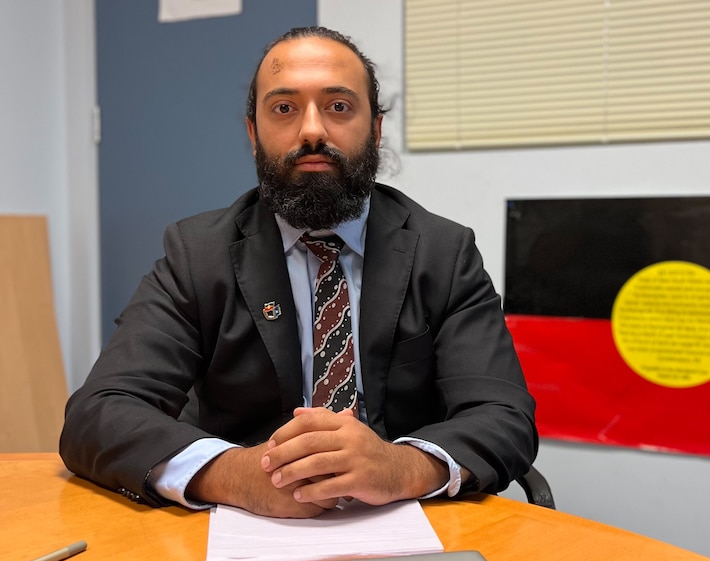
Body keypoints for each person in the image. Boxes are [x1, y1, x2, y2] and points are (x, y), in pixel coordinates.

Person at [59, 26, 537, 519]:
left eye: (339, 106)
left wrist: (398, 466)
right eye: (284, 108)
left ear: (374, 129)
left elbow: (504, 417)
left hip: (403, 522)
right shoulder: (198, 254)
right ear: (253, 133)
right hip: (248, 527)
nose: (312, 131)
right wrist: (237, 475)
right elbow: (98, 413)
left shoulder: (444, 252)